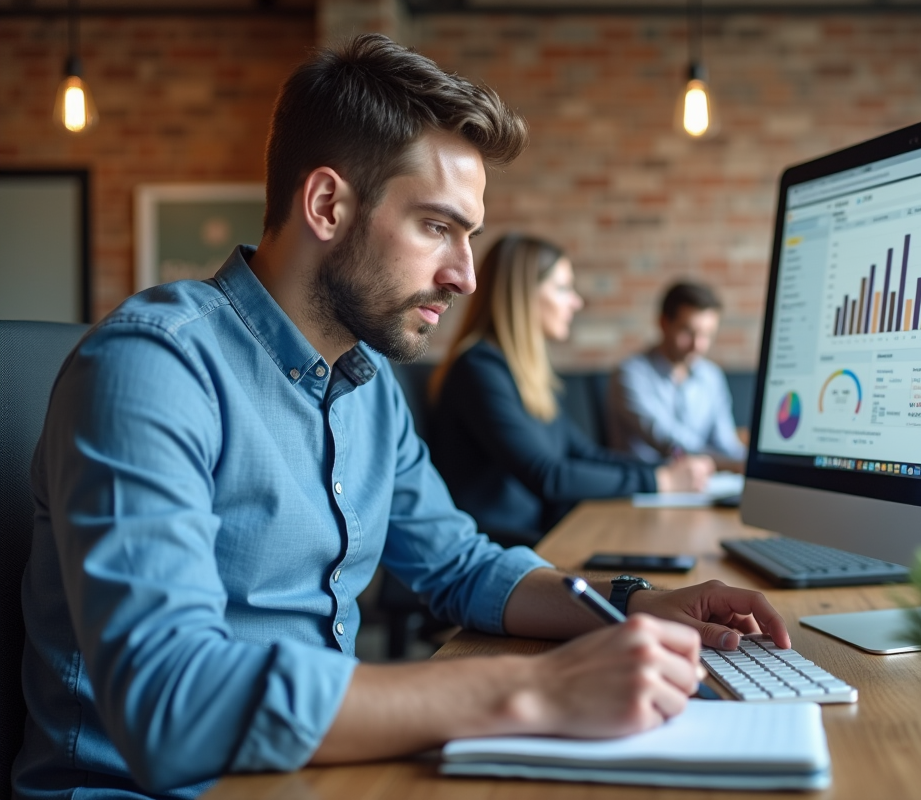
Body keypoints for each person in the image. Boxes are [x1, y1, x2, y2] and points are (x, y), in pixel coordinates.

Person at [14, 36, 791, 800]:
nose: (464, 275)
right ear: (326, 205)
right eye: (436, 227)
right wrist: (531, 691)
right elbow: (170, 705)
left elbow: (461, 567)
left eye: (469, 236)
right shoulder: (154, 366)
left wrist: (632, 605)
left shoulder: (370, 385)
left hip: (311, 774)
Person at [427, 234, 714, 546]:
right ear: (524, 296)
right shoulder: (478, 368)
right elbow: (548, 476)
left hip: (540, 533)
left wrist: (666, 469)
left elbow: (582, 453)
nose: (576, 301)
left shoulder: (524, 372)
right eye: (563, 288)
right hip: (497, 546)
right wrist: (659, 481)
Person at [607, 281, 747, 470]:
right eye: (688, 332)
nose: (698, 345)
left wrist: (752, 464)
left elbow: (726, 443)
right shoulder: (630, 374)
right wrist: (728, 464)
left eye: (707, 335)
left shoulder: (711, 376)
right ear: (664, 323)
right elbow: (670, 443)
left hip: (700, 485)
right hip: (643, 487)